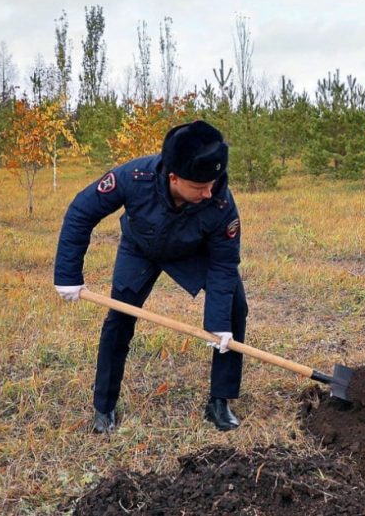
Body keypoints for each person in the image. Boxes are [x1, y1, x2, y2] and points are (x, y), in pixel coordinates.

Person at [53, 120, 247, 433]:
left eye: (212, 183)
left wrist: (219, 324)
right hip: (140, 247)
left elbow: (224, 264)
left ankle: (219, 401)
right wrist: (67, 274)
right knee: (119, 319)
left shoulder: (221, 202)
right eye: (199, 187)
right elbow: (81, 212)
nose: (209, 192)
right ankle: (104, 407)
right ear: (174, 177)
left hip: (190, 253)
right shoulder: (134, 177)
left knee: (234, 306)